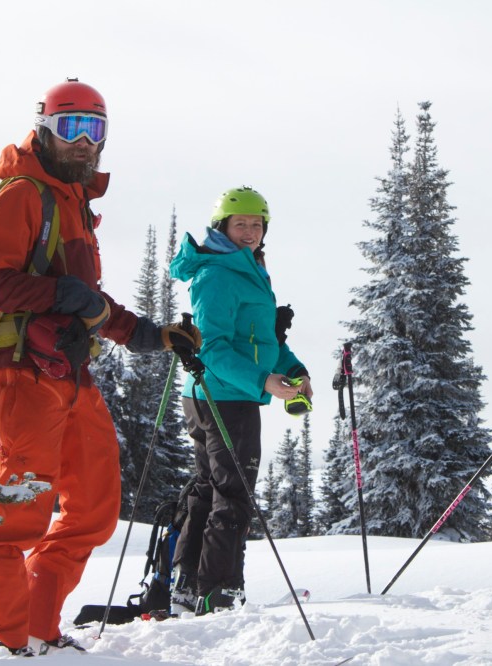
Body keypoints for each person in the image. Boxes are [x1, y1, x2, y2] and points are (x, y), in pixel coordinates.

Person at [0, 79, 199, 657]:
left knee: (94, 511)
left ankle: (39, 632)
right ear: (45, 128)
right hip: (23, 373)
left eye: (95, 130)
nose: (84, 142)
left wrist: (152, 335)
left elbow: (88, 299)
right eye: (72, 128)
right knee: (17, 515)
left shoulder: (72, 202)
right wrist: (65, 296)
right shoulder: (24, 194)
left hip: (71, 376)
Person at [168, 186, 313, 615]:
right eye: (240, 224)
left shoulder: (246, 268)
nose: (249, 231)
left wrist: (294, 369)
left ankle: (189, 587)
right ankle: (220, 591)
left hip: (218, 393)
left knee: (208, 489)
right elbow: (211, 347)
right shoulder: (218, 275)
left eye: (256, 224)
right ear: (223, 227)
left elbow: (261, 339)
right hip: (225, 396)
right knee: (233, 494)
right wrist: (263, 381)